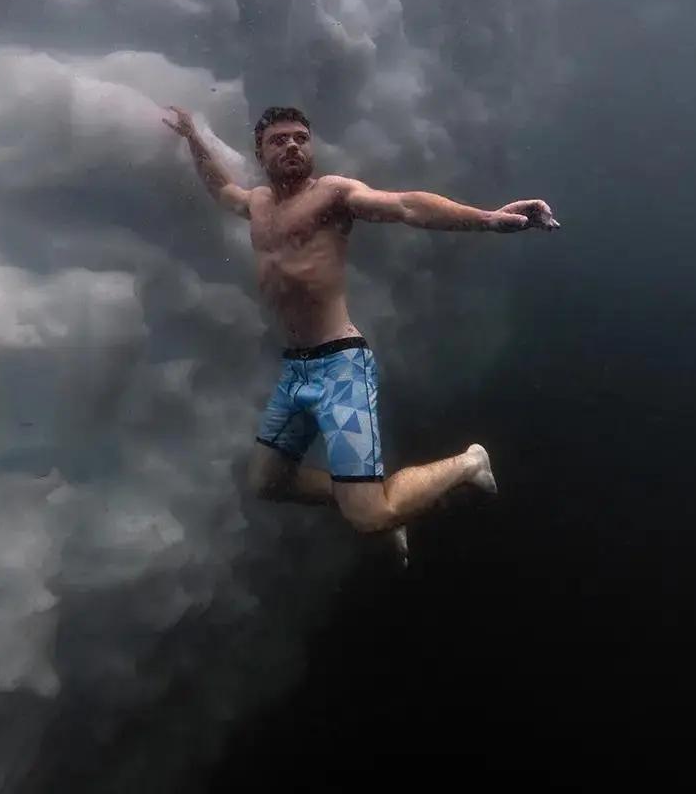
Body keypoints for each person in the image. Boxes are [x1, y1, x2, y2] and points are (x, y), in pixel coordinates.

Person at [164, 103, 558, 565]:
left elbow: (406, 205)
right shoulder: (256, 204)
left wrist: (488, 218)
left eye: (300, 138)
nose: (293, 145)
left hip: (340, 366)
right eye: (279, 139)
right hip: (297, 370)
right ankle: (372, 494)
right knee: (268, 482)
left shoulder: (333, 193)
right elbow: (221, 189)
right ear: (260, 151)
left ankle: (470, 462)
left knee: (370, 519)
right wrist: (193, 140)